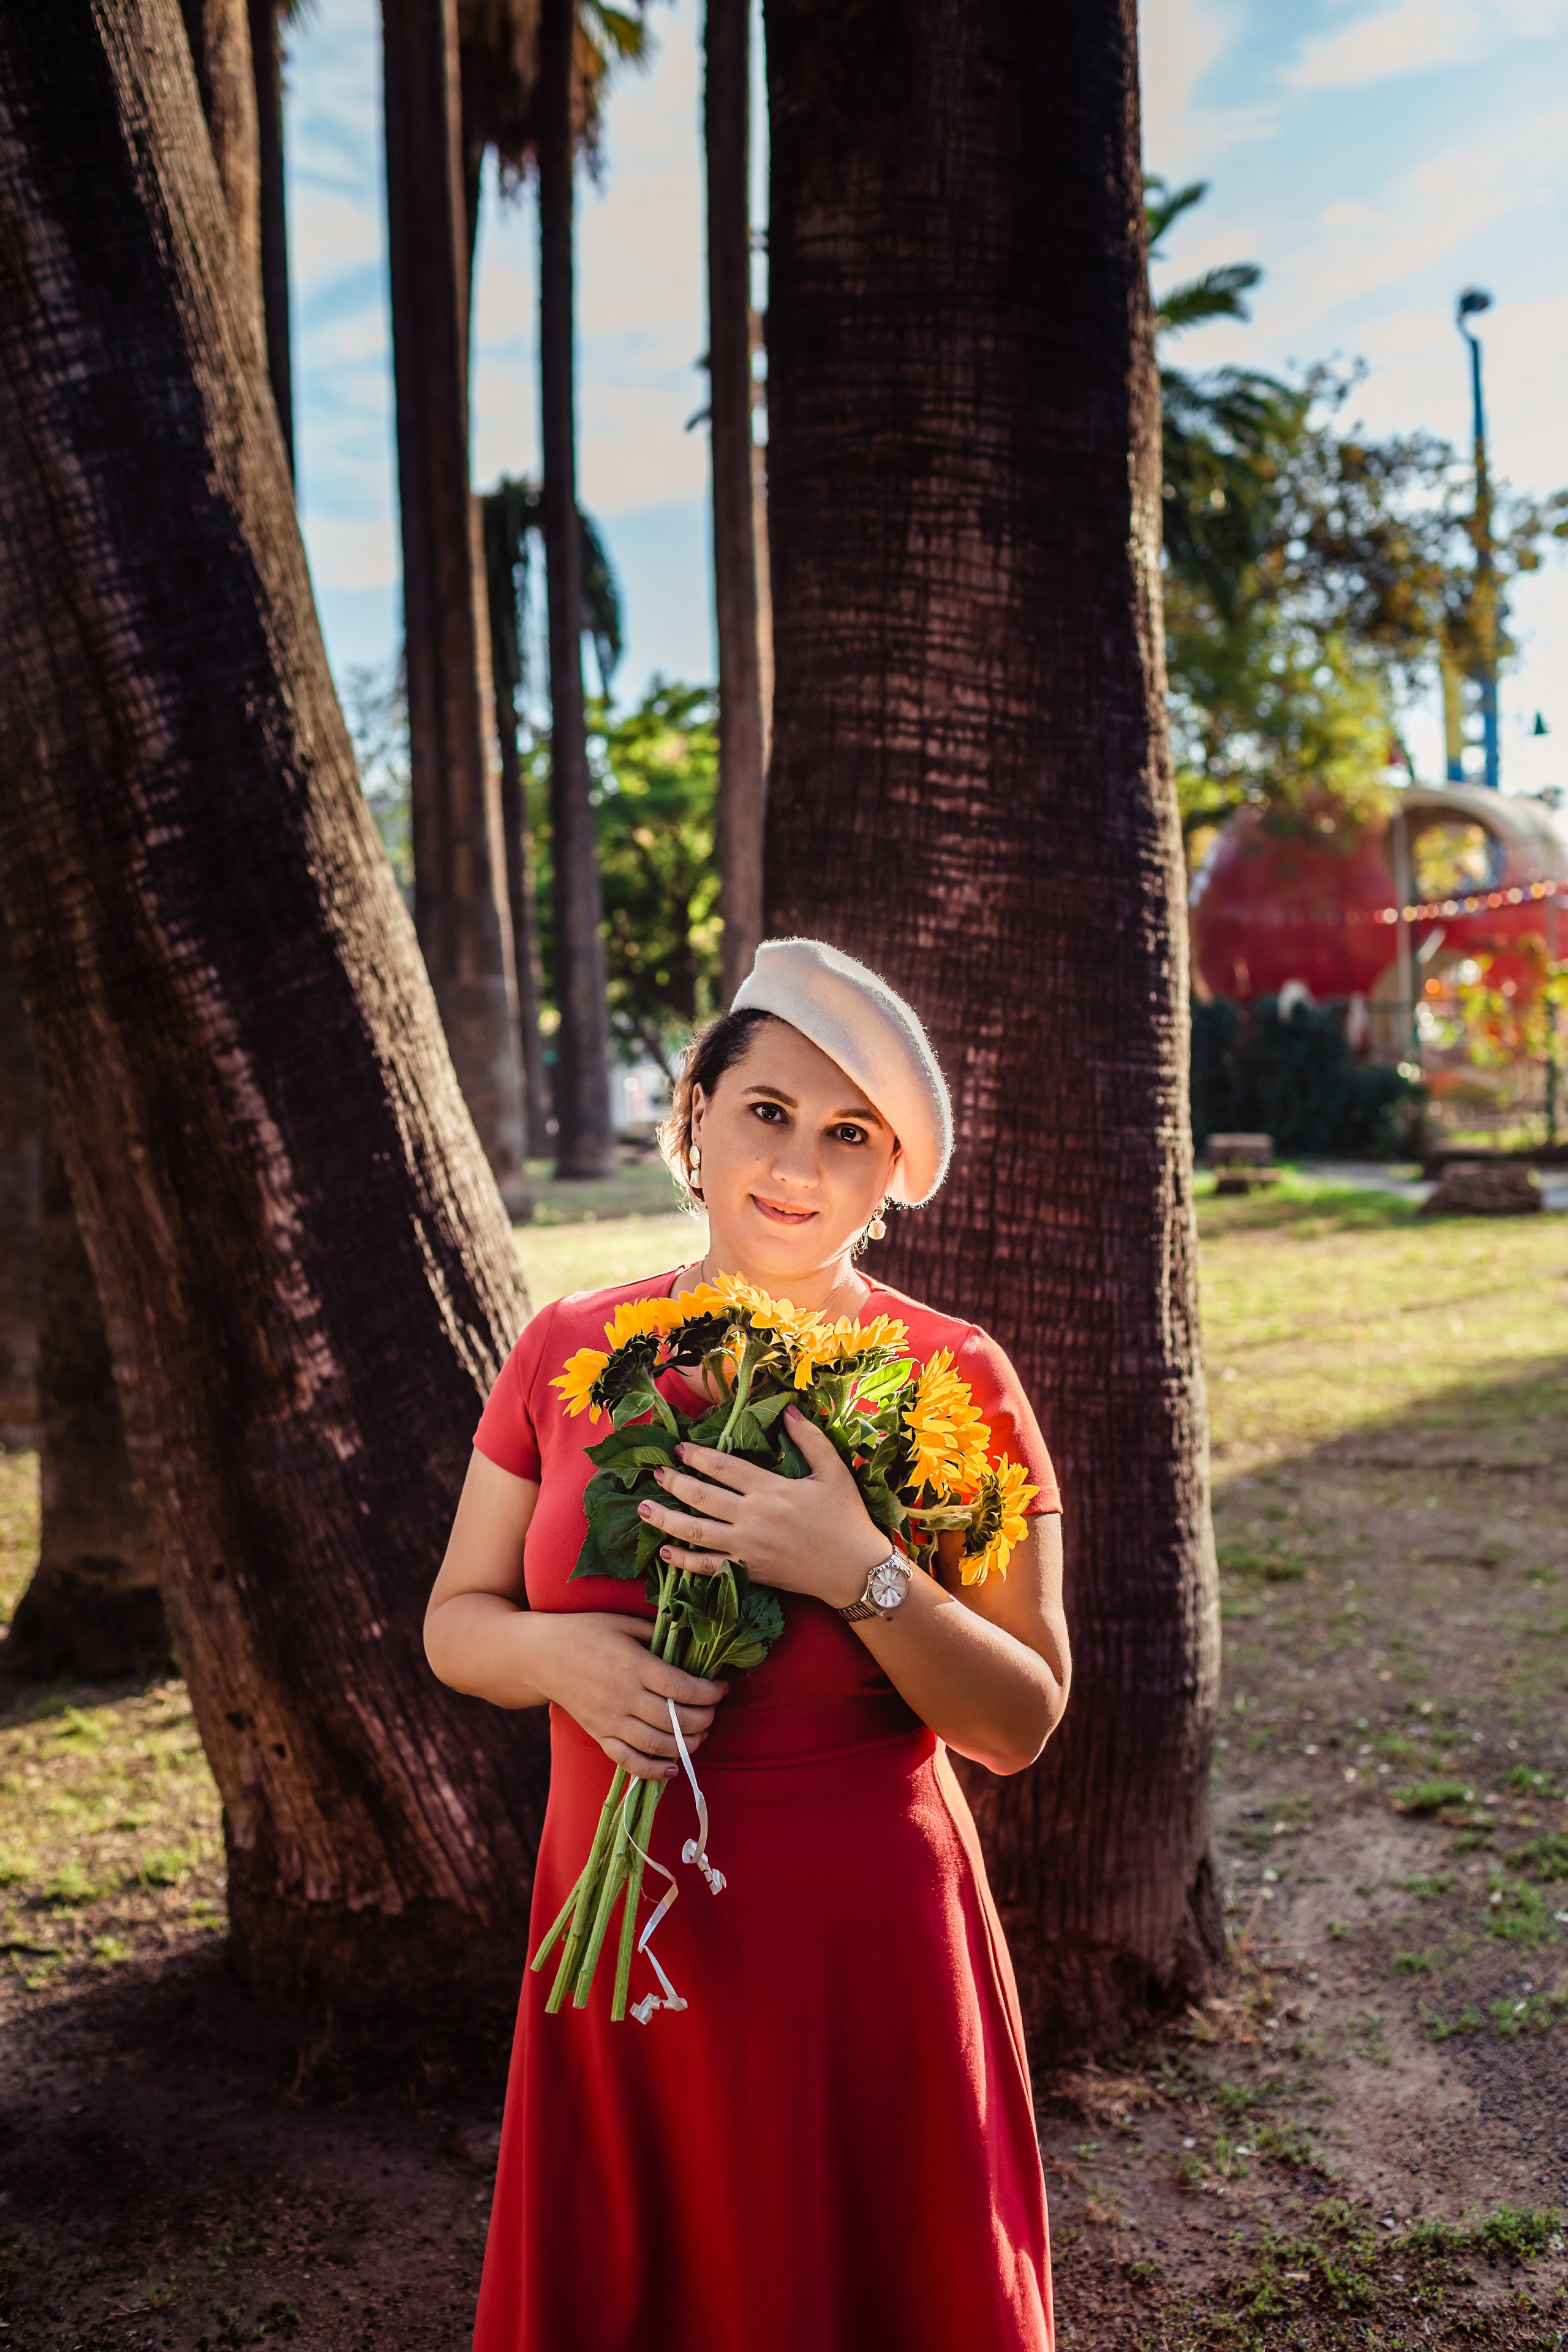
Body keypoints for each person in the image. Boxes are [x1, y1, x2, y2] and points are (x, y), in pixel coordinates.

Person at [425, 938, 1071, 2352]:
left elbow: (1019, 1719)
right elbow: (456, 1622)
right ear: (695, 1115)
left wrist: (857, 1571)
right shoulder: (566, 1349)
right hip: (620, 1953)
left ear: (889, 1173)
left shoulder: (954, 1374)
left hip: (861, 1968)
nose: (796, 1165)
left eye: (850, 1136)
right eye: (766, 1110)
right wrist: (558, 1662)